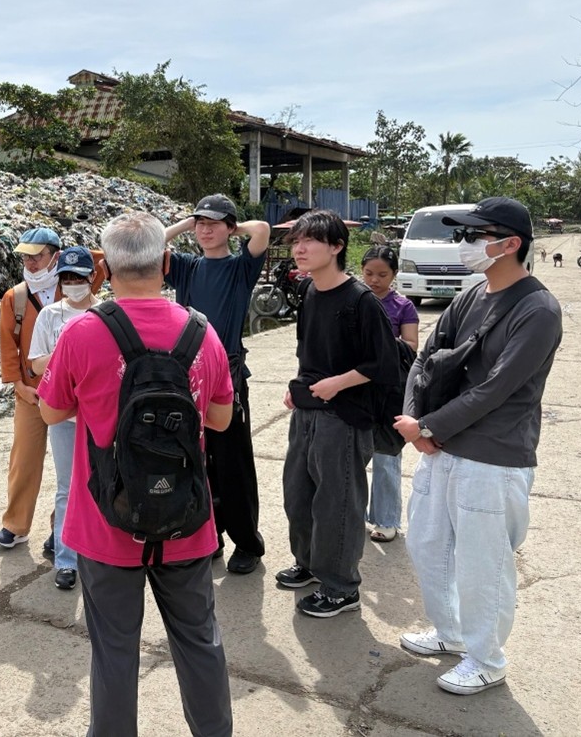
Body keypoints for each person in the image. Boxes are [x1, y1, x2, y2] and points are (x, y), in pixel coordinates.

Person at [38, 212, 234, 737]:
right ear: (167, 262)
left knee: (114, 652)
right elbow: (218, 418)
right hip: (186, 519)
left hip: (105, 523)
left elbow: (51, 412)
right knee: (200, 642)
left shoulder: (82, 333)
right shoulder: (200, 332)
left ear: (103, 268)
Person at [393, 197, 562, 695]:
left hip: (492, 454)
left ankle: (487, 658)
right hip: (442, 446)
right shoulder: (472, 294)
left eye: (475, 235)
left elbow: (498, 389)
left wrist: (427, 428)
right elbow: (424, 358)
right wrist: (417, 420)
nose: (464, 245)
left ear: (510, 244)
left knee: (481, 564)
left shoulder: (538, 309)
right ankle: (451, 633)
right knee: (428, 545)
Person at [277, 209, 399, 618]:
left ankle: (341, 587)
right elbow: (308, 351)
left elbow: (384, 365)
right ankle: (310, 564)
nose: (300, 248)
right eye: (296, 241)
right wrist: (298, 389)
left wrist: (337, 383)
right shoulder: (311, 291)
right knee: (298, 495)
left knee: (338, 504)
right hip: (308, 410)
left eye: (309, 240)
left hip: (344, 416)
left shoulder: (361, 301)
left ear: (336, 247)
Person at [164, 194, 271, 574]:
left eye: (214, 223)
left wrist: (230, 224)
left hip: (227, 373)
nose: (205, 230)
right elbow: (153, 242)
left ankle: (247, 542)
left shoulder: (241, 268)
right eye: (200, 224)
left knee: (233, 462)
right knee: (196, 459)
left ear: (229, 227)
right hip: (186, 376)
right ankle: (210, 535)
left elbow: (262, 230)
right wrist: (190, 223)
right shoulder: (187, 268)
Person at [0, 227, 103, 551]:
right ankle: (16, 525)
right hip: (31, 393)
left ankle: (61, 529)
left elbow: (101, 259)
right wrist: (18, 386)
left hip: (70, 396)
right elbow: (7, 347)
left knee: (71, 469)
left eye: (38, 255)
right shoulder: (16, 297)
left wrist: (67, 256)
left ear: (55, 256)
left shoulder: (73, 286)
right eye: (26, 256)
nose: (30, 262)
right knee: (24, 459)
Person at [27, 245, 99, 591]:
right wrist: (68, 350)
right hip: (62, 414)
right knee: (67, 486)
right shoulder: (49, 316)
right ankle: (67, 559)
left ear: (92, 279)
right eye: (66, 279)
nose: (72, 284)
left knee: (102, 481)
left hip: (99, 412)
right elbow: (36, 363)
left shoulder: (107, 313)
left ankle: (100, 553)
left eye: (78, 278)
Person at [360, 245, 419, 542]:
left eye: (382, 274)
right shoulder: (354, 299)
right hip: (356, 388)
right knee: (352, 456)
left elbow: (411, 346)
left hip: (389, 390)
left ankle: (386, 520)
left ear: (394, 275)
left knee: (385, 455)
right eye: (369, 273)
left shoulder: (404, 306)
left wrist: (384, 341)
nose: (374, 280)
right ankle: (352, 514)